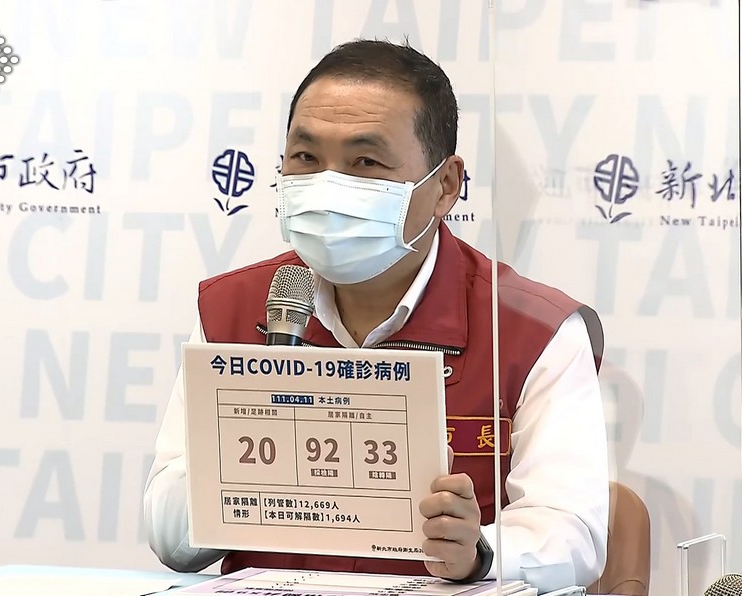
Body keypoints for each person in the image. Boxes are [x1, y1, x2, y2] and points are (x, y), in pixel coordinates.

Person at [143, 38, 610, 592]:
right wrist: (245, 442)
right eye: (306, 158)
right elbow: (171, 542)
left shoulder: (534, 331)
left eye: (365, 162)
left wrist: (480, 550)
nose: (328, 186)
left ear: (445, 186)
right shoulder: (234, 309)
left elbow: (571, 533)